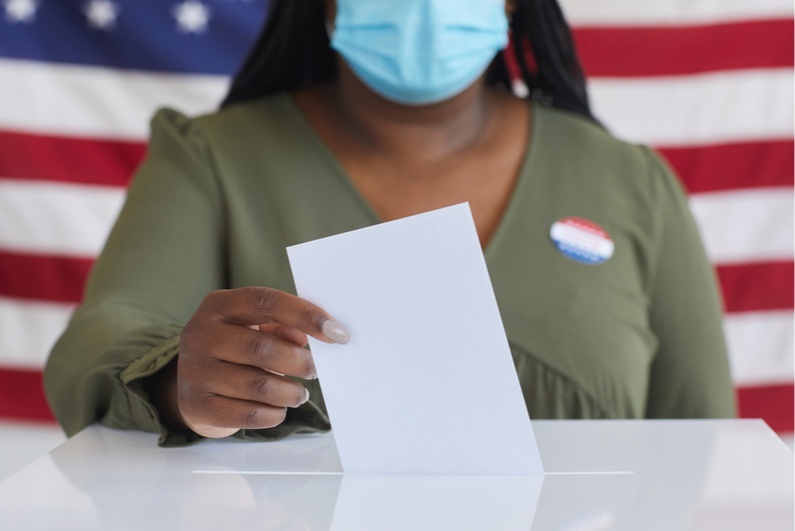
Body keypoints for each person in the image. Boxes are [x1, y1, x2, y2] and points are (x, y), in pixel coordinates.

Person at [44, 0, 735, 447]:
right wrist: (173, 382)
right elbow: (103, 332)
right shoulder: (211, 159)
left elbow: (711, 455)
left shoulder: (631, 182)